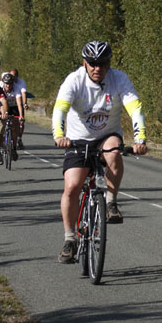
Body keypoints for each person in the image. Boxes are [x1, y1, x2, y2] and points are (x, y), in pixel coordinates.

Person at [52, 40, 148, 263]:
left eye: (102, 64)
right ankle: (69, 239)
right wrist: (59, 135)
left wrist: (140, 138)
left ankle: (111, 202)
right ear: (85, 63)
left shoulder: (119, 79)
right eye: (93, 63)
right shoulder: (74, 80)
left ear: (109, 63)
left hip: (107, 135)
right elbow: (60, 109)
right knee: (72, 186)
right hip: (78, 139)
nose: (98, 69)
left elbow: (135, 108)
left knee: (114, 152)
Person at [0, 72, 24, 160]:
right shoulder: (0, 89)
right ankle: (1, 141)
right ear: (3, 83)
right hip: (2, 106)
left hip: (13, 106)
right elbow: (0, 103)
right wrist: (3, 113)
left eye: (10, 84)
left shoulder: (17, 88)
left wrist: (21, 116)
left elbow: (19, 103)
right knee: (1, 122)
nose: (8, 86)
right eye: (6, 83)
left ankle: (13, 147)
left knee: (15, 126)